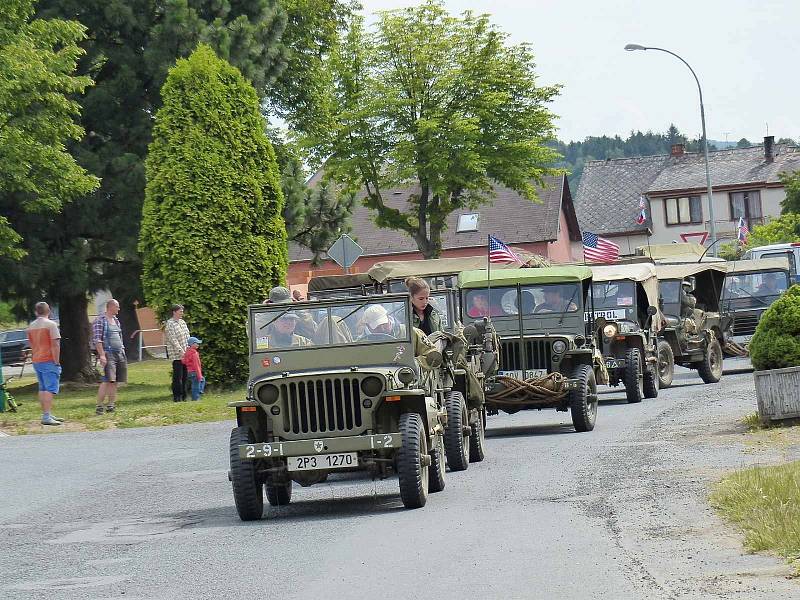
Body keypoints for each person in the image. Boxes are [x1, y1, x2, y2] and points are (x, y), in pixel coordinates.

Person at [26, 302, 63, 426]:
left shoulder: (31, 326)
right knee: (50, 388)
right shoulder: (51, 325)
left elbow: (31, 345)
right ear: (49, 311)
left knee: (42, 388)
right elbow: (55, 344)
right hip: (49, 360)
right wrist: (56, 361)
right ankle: (46, 416)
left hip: (37, 359)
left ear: (36, 312)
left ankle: (46, 413)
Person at [92, 298, 127, 415]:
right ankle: (99, 406)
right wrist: (102, 355)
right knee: (107, 380)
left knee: (115, 381)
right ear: (111, 307)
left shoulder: (116, 320)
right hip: (108, 353)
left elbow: (119, 337)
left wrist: (122, 349)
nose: (119, 309)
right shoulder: (100, 320)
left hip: (119, 353)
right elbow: (97, 340)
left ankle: (111, 404)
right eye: (117, 307)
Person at [164, 303, 190, 402]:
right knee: (177, 376)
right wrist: (180, 351)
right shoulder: (170, 324)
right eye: (180, 311)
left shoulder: (183, 322)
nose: (182, 313)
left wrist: (188, 350)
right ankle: (177, 397)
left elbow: (187, 336)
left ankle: (184, 396)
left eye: (182, 311)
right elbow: (172, 339)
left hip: (185, 353)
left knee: (185, 376)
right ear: (174, 312)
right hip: (176, 354)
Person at [181, 337, 206, 401]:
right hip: (194, 372)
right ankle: (196, 398)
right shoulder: (194, 353)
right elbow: (196, 365)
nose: (198, 344)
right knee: (196, 385)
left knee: (199, 382)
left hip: (188, 372)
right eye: (196, 343)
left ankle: (199, 391)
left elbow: (183, 361)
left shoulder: (187, 352)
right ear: (192, 344)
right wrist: (199, 375)